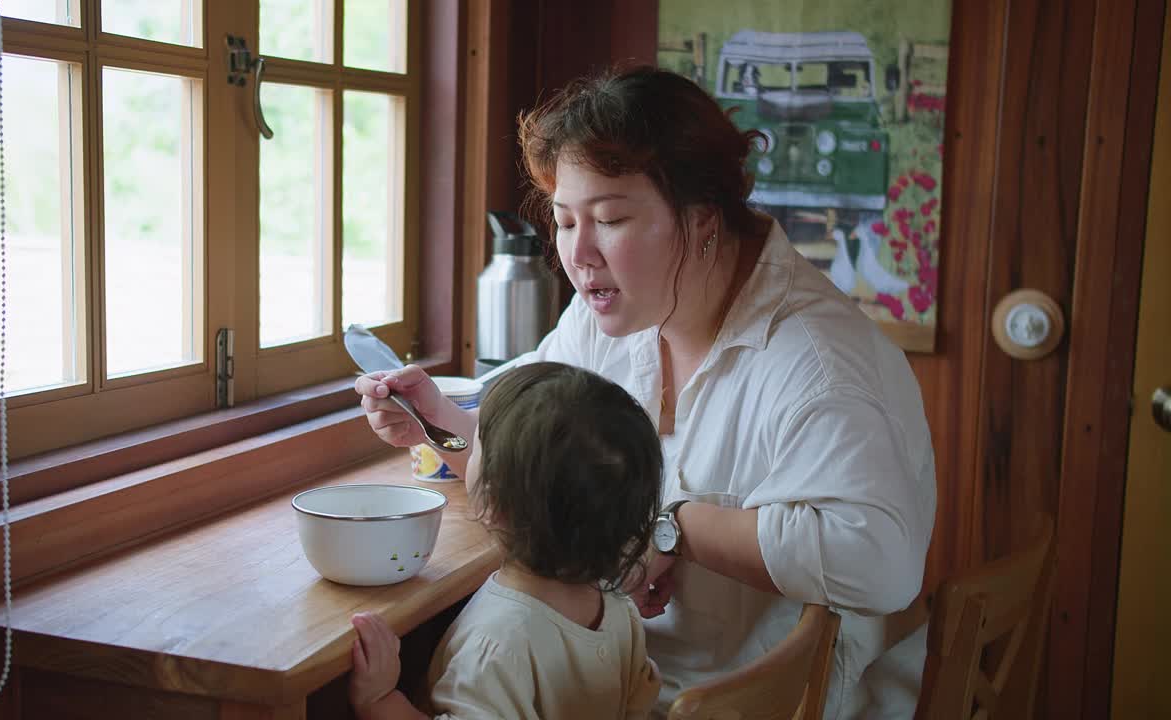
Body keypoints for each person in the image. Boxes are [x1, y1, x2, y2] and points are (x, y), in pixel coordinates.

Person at [356, 66, 936, 719]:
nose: (578, 254)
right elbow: (534, 466)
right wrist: (437, 421)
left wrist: (660, 524)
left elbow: (880, 564)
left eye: (609, 219)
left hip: (760, 698)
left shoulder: (813, 359)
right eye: (565, 220)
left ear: (703, 221)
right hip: (637, 675)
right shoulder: (609, 314)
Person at [348, 362, 664, 720]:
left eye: (478, 441)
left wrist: (380, 700)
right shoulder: (620, 613)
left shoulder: (495, 649)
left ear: (493, 504)